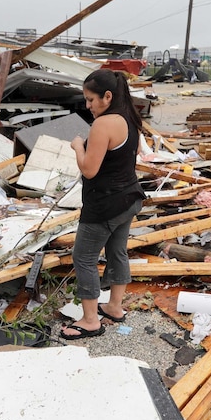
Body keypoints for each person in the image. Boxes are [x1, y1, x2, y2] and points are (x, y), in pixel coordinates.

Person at [61, 68, 146, 340]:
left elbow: (89, 170)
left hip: (105, 205)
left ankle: (89, 321)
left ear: (107, 96)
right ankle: (114, 306)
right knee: (117, 251)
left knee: (83, 257)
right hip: (129, 198)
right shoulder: (129, 118)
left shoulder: (103, 124)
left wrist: (77, 147)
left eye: (90, 99)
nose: (87, 106)